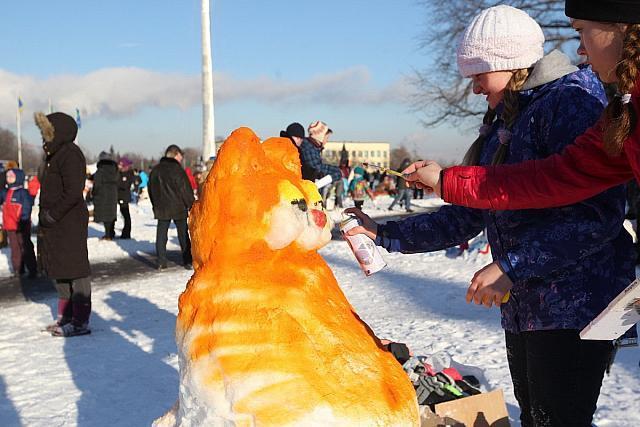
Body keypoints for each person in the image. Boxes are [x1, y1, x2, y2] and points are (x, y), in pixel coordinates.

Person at [346, 5, 635, 426]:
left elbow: (596, 215)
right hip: (525, 306)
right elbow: (474, 210)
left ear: (508, 64)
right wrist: (386, 233)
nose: (476, 90)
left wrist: (512, 265)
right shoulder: (507, 113)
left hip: (574, 306)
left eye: (479, 76)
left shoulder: (571, 102)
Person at [35, 111, 91, 337]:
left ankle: (80, 321)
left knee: (75, 270)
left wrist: (53, 215)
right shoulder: (54, 155)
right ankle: (65, 316)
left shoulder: (70, 154)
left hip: (69, 222)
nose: (43, 136)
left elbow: (73, 191)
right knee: (60, 270)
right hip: (56, 224)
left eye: (46, 131)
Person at [148, 145, 194, 270]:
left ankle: (161, 261)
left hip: (162, 207)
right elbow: (185, 189)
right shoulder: (177, 170)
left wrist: (155, 204)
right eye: (180, 156)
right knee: (183, 234)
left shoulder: (156, 170)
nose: (181, 158)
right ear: (175, 154)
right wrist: (192, 205)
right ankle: (187, 260)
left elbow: (151, 189)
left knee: (161, 234)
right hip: (178, 207)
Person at [1, 168, 37, 278]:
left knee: (25, 246)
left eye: (11, 176)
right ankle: (18, 268)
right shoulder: (5, 192)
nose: (9, 179)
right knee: (14, 247)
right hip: (10, 226)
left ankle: (32, 268)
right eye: (7, 177)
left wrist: (24, 219)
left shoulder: (23, 193)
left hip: (21, 225)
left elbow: (26, 207)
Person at [299, 121, 342, 206]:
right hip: (307, 184)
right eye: (326, 138)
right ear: (320, 136)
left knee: (337, 173)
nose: (327, 141)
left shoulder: (313, 147)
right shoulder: (308, 147)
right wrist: (334, 170)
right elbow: (315, 167)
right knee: (337, 173)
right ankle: (315, 187)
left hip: (310, 182)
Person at [92, 151, 118, 240]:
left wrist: (94, 193)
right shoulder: (115, 169)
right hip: (113, 194)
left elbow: (97, 184)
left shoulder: (100, 170)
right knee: (111, 214)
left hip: (102, 195)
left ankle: (108, 235)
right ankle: (111, 232)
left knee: (105, 215)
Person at [117, 157, 135, 239]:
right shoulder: (121, 174)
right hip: (121, 196)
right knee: (124, 214)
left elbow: (124, 185)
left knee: (126, 214)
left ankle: (126, 233)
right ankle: (126, 232)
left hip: (123, 197)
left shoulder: (128, 174)